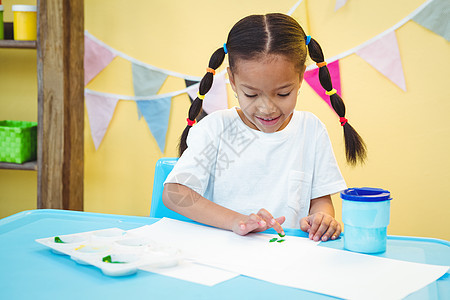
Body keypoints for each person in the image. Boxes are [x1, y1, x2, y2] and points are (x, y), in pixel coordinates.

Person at [162, 13, 366, 242]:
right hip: (223, 256)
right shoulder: (219, 130)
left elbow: (320, 201)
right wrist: (235, 221)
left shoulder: (311, 130)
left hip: (288, 259)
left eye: (282, 93)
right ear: (231, 80)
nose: (267, 108)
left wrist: (321, 219)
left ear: (300, 79)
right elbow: (175, 194)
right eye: (251, 94)